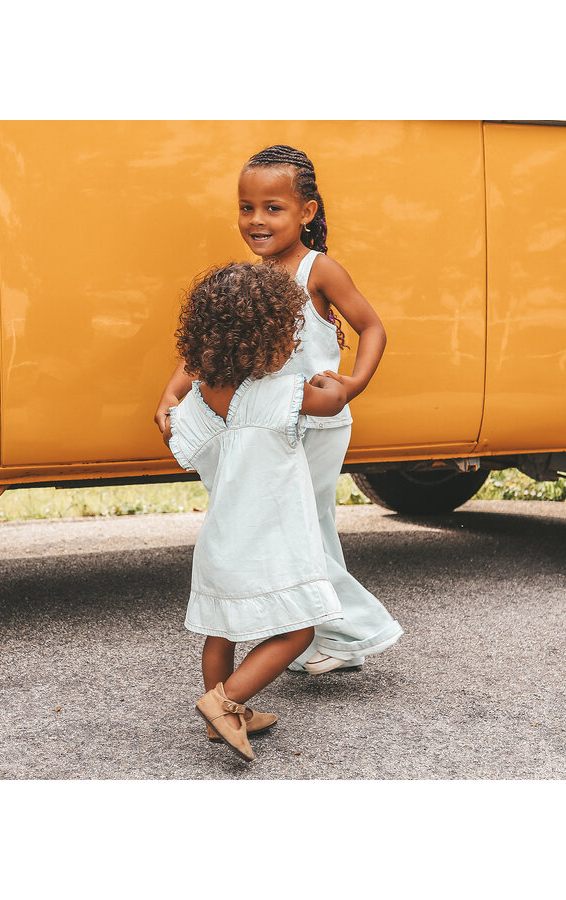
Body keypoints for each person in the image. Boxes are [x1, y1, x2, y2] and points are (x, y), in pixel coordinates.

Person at [156, 143, 403, 676]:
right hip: (266, 427)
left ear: (306, 212)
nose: (257, 220)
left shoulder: (318, 270)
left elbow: (372, 327)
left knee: (299, 530)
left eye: (273, 208)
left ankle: (352, 628)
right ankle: (321, 633)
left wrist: (353, 382)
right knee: (295, 530)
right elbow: (208, 346)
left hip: (315, 426)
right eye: (247, 207)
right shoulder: (252, 278)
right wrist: (171, 392)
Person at [161, 262, 348, 762]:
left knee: (219, 630)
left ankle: (224, 719)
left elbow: (175, 432)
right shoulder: (279, 393)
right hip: (270, 542)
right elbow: (333, 401)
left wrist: (170, 403)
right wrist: (329, 377)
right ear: (266, 338)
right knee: (298, 630)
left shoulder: (195, 406)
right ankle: (223, 704)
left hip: (222, 543)